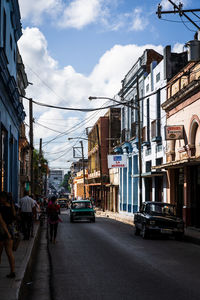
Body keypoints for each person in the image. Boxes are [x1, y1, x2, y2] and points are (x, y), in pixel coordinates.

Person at [0, 191, 16, 278]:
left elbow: (2, 222)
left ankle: (12, 271)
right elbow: (14, 216)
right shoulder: (12, 206)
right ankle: (12, 271)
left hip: (3, 231)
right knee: (9, 252)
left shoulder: (1, 208)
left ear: (4, 198)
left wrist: (6, 233)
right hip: (10, 229)